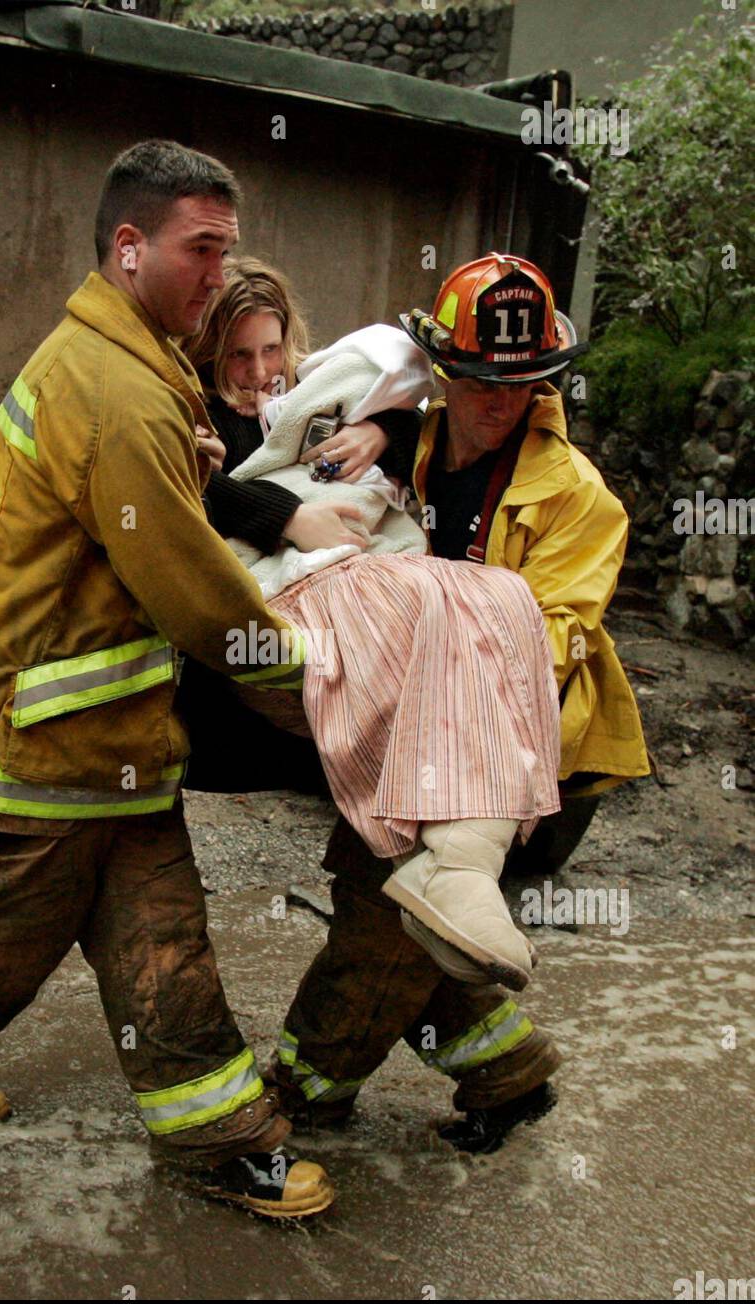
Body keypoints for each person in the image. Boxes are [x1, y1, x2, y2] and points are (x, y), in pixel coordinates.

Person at [0, 140, 339, 1220]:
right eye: (201, 250)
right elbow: (197, 596)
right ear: (129, 247)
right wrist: (324, 691)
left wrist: (193, 474)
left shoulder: (125, 354)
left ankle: (225, 1140)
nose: (220, 274)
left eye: (228, 250)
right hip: (33, 755)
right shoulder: (114, 385)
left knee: (162, 939)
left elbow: (131, 520)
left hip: (95, 749)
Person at [267, 253, 651, 1151]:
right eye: (477, 380)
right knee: (425, 915)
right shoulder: (415, 436)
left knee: (382, 909)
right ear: (442, 369)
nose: (497, 402)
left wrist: (420, 624)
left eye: (521, 385)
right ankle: (505, 1070)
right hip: (419, 736)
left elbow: (545, 646)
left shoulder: (579, 501)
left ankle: (305, 1091)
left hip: (524, 754)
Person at [181, 258, 567, 1051]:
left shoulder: (342, 408)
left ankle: (486, 1030)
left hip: (431, 682)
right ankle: (410, 1047)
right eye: (237, 359)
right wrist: (286, 517)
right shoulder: (193, 420)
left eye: (271, 352)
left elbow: (405, 407)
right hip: (291, 630)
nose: (259, 376)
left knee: (501, 601)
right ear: (208, 360)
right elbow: (181, 488)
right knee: (387, 886)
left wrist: (378, 427)